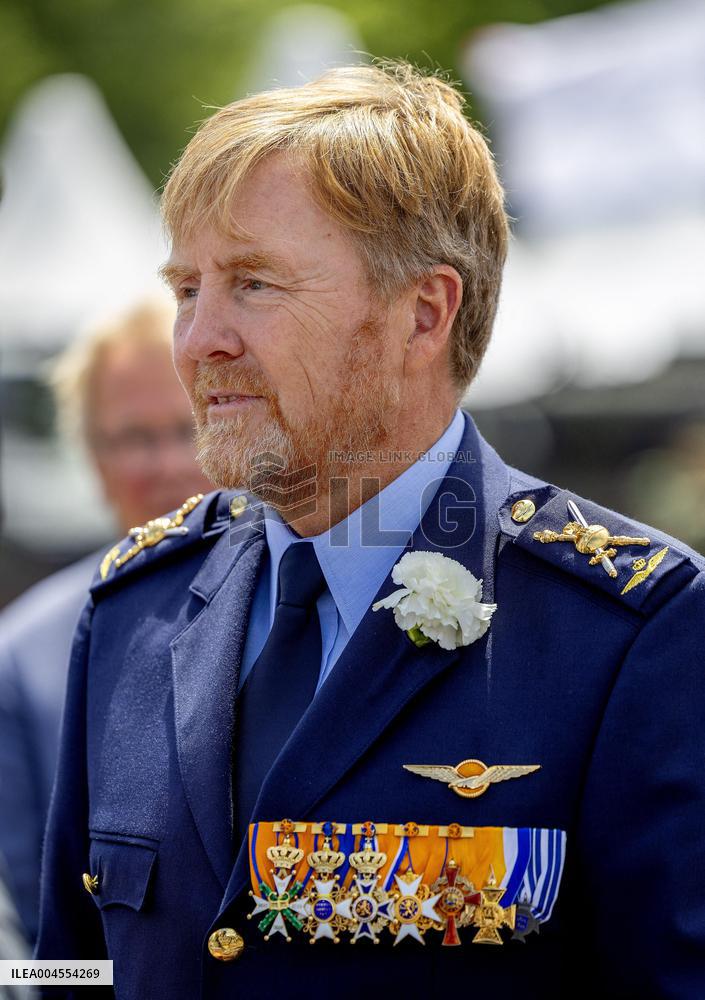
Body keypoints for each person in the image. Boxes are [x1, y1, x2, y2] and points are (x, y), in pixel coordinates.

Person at [36, 63, 705, 999]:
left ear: (423, 312)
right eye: (187, 289)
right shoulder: (132, 613)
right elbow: (72, 966)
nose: (198, 341)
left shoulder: (630, 632)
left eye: (255, 284)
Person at [0, 300, 211, 945]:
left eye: (190, 429)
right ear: (90, 458)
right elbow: (34, 953)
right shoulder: (24, 655)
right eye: (133, 438)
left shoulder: (308, 607)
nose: (168, 465)